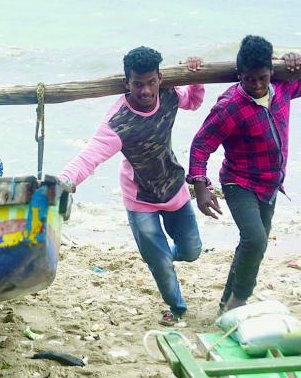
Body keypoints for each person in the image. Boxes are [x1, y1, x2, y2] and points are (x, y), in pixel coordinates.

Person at [58, 47, 205, 326]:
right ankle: (176, 306)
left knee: (191, 251)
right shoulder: (118, 122)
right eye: (138, 84)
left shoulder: (170, 94)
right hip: (140, 199)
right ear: (127, 83)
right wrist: (65, 181)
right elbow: (89, 155)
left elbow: (194, 101)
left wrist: (195, 75)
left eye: (151, 82)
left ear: (160, 78)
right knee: (160, 263)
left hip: (174, 187)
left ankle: (163, 256)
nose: (146, 91)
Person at [188, 35, 301, 313]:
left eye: (263, 78)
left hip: (271, 184)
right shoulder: (231, 106)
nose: (257, 85)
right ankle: (241, 298)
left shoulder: (283, 87)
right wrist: (201, 187)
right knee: (256, 239)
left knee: (252, 245)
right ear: (240, 76)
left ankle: (227, 304)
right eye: (250, 79)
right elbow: (201, 145)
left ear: (272, 72)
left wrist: (294, 56)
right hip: (239, 182)